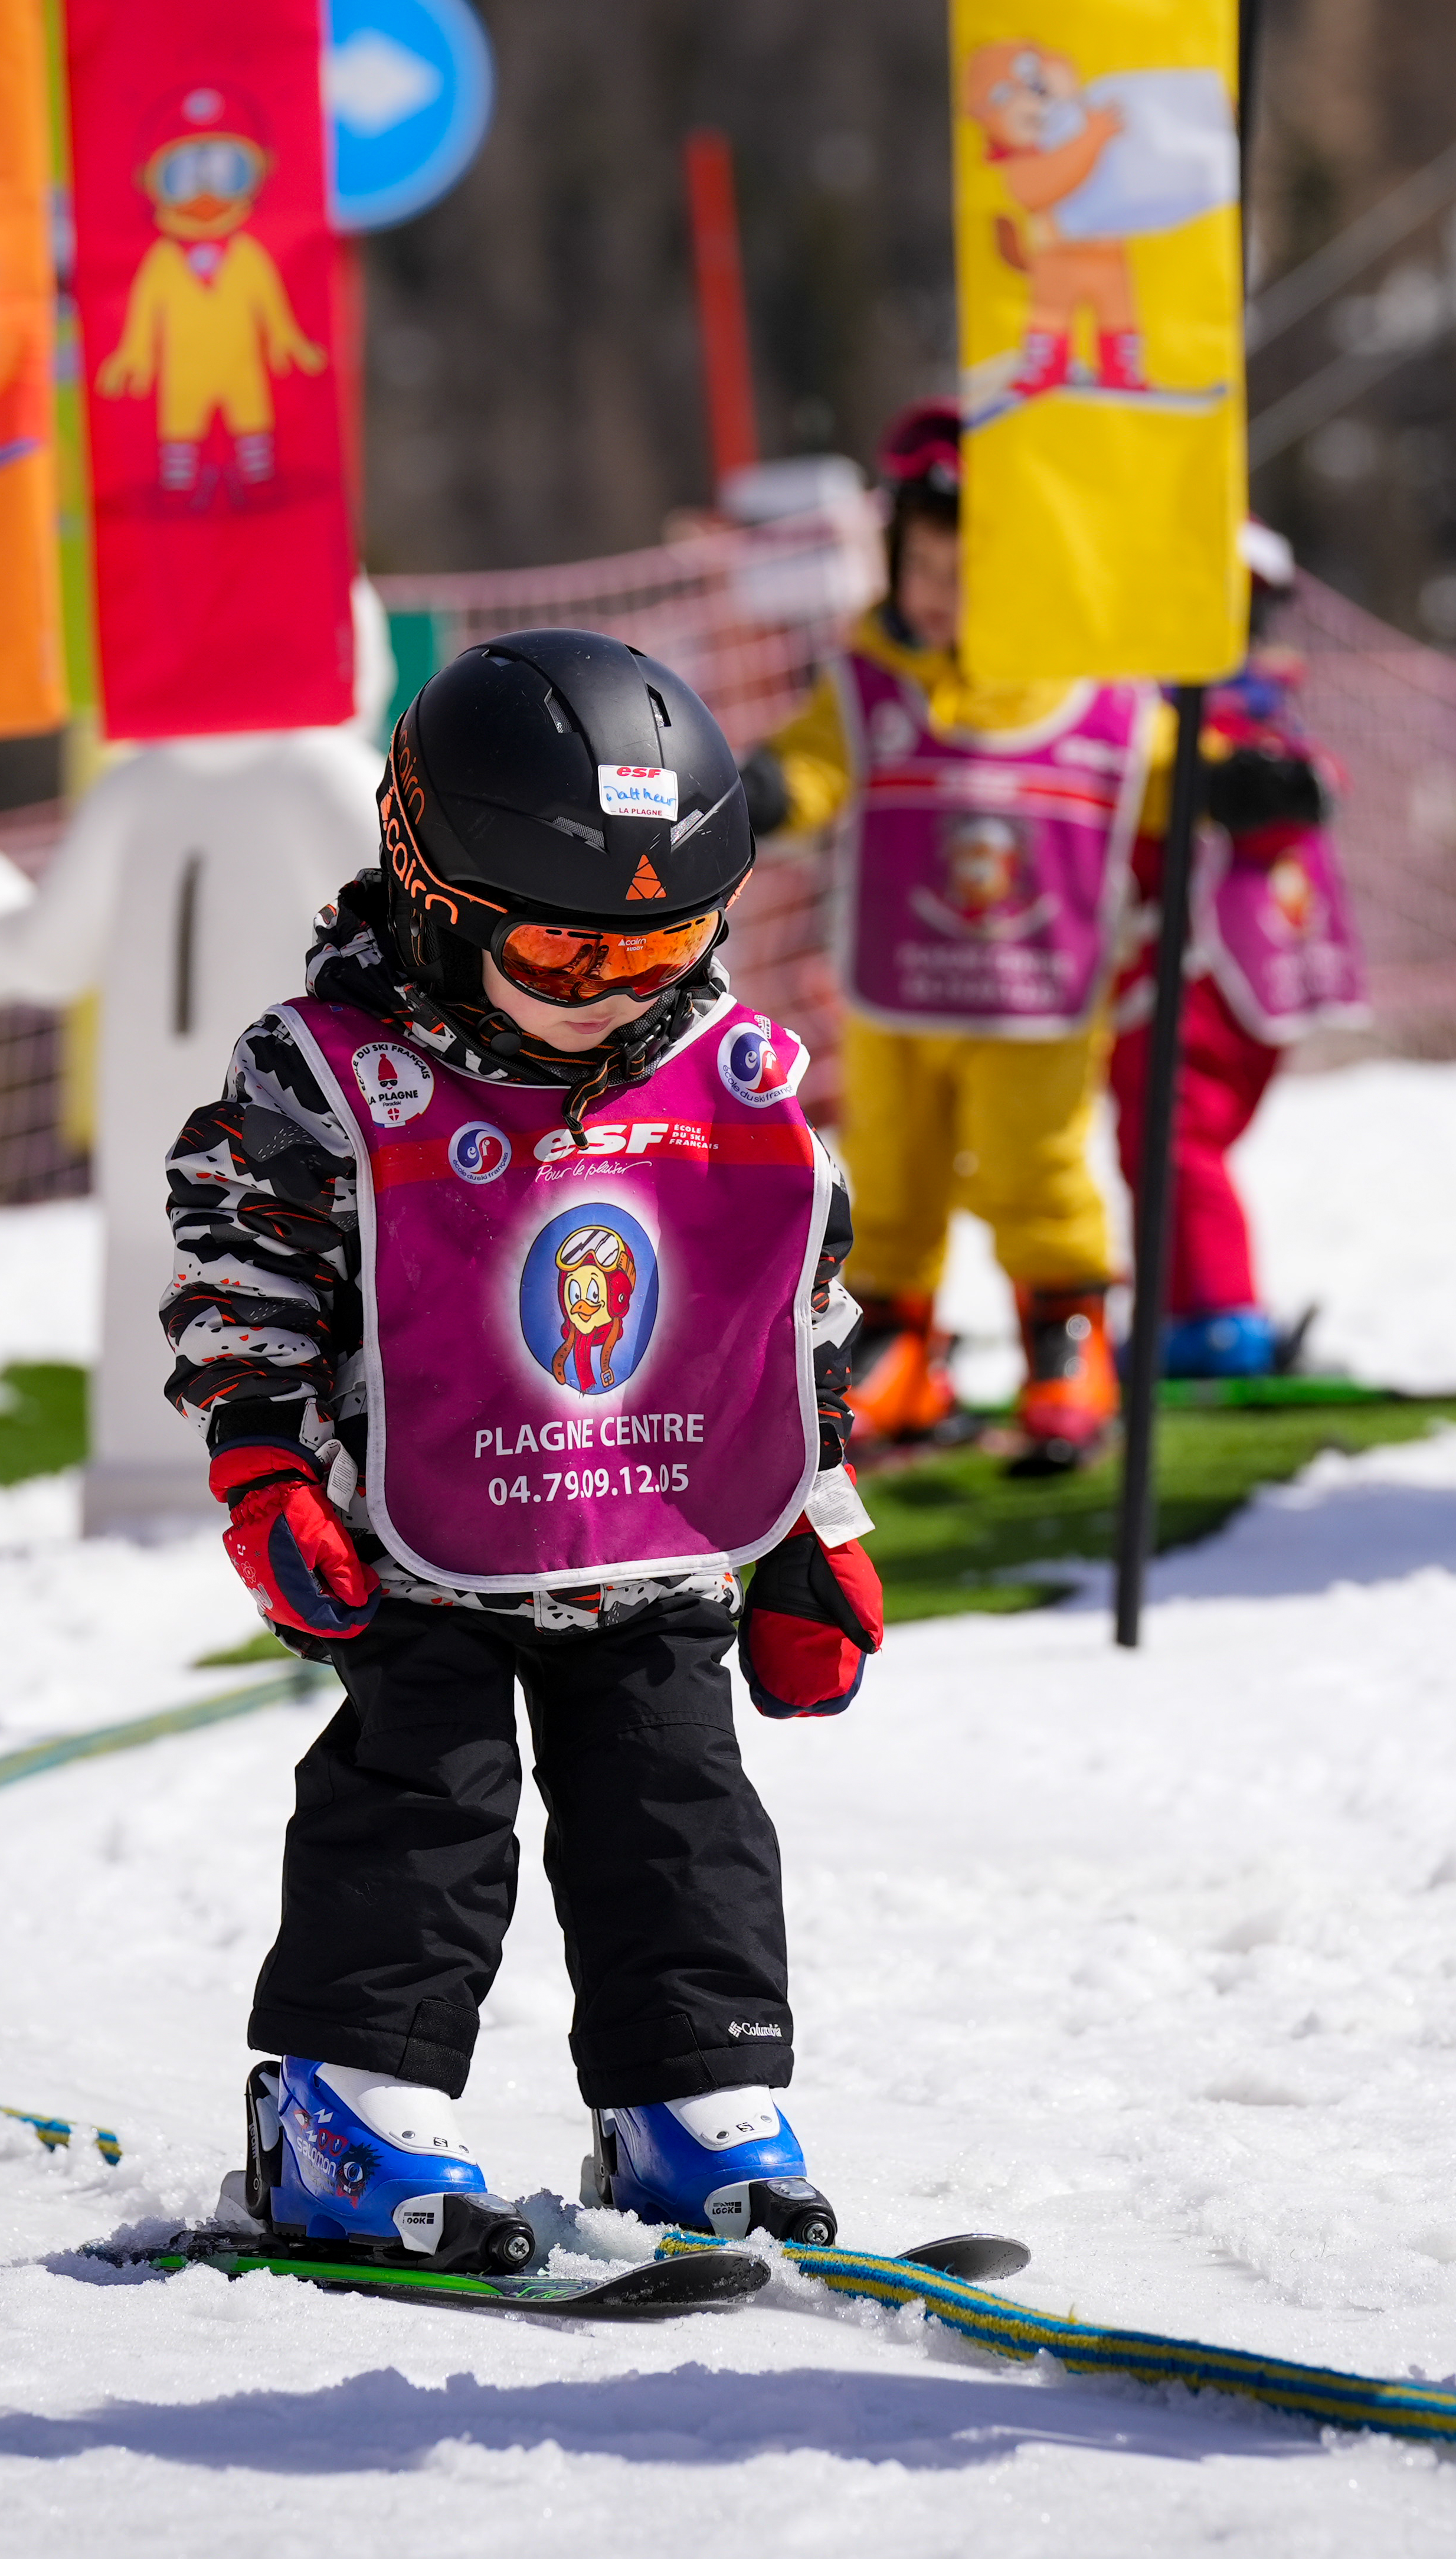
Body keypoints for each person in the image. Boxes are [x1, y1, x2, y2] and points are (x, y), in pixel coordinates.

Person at [162, 630, 885, 2270]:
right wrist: (266, 1465)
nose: (626, 991)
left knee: (681, 1812)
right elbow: (241, 1268)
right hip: (420, 1541)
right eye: (567, 955)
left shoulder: (728, 1075)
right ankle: (341, 2111)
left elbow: (775, 1315)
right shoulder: (333, 1072)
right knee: (424, 1810)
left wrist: (808, 1521)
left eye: (671, 941)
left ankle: (693, 2105)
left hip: (650, 1531)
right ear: (435, 893)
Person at [0, 580, 396, 1537]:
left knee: (164, 1282)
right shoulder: (323, 776)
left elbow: (41, 950)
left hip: (153, 1130)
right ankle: (299, 1475)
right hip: (298, 1122)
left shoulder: (136, 783)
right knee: (305, 1288)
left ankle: (164, 1470)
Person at [752, 399, 1173, 1470]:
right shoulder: (874, 684)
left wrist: (1245, 780)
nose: (943, 597)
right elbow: (818, 763)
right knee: (890, 1169)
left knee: (1036, 1168)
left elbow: (1167, 778)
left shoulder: (1099, 700)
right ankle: (900, 1343)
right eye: (925, 570)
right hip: (903, 988)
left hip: (1035, 996)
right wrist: (765, 793)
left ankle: (1065, 1335)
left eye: (971, 573)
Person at [1105, 519, 1357, 1381]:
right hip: (1175, 960)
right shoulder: (1162, 709)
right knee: (1155, 1136)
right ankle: (1179, 1306)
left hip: (1209, 969)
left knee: (1177, 1132)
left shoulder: (1238, 714)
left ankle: (1220, 1311)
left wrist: (1261, 791)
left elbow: (1295, 796)